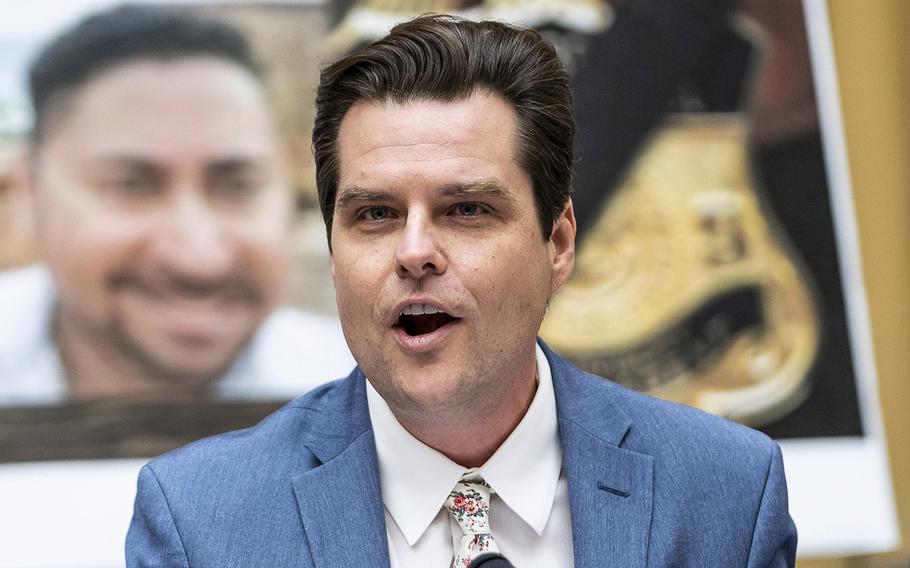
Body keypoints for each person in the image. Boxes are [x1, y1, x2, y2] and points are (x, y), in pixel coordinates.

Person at [127, 14, 796, 567]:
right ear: (333, 252)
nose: (415, 252)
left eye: (467, 210)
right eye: (375, 215)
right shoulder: (200, 521)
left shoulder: (727, 492)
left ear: (558, 243)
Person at [0, 5, 354, 405]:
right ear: (29, 190)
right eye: (130, 186)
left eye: (237, 186)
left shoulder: (368, 397)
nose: (198, 256)